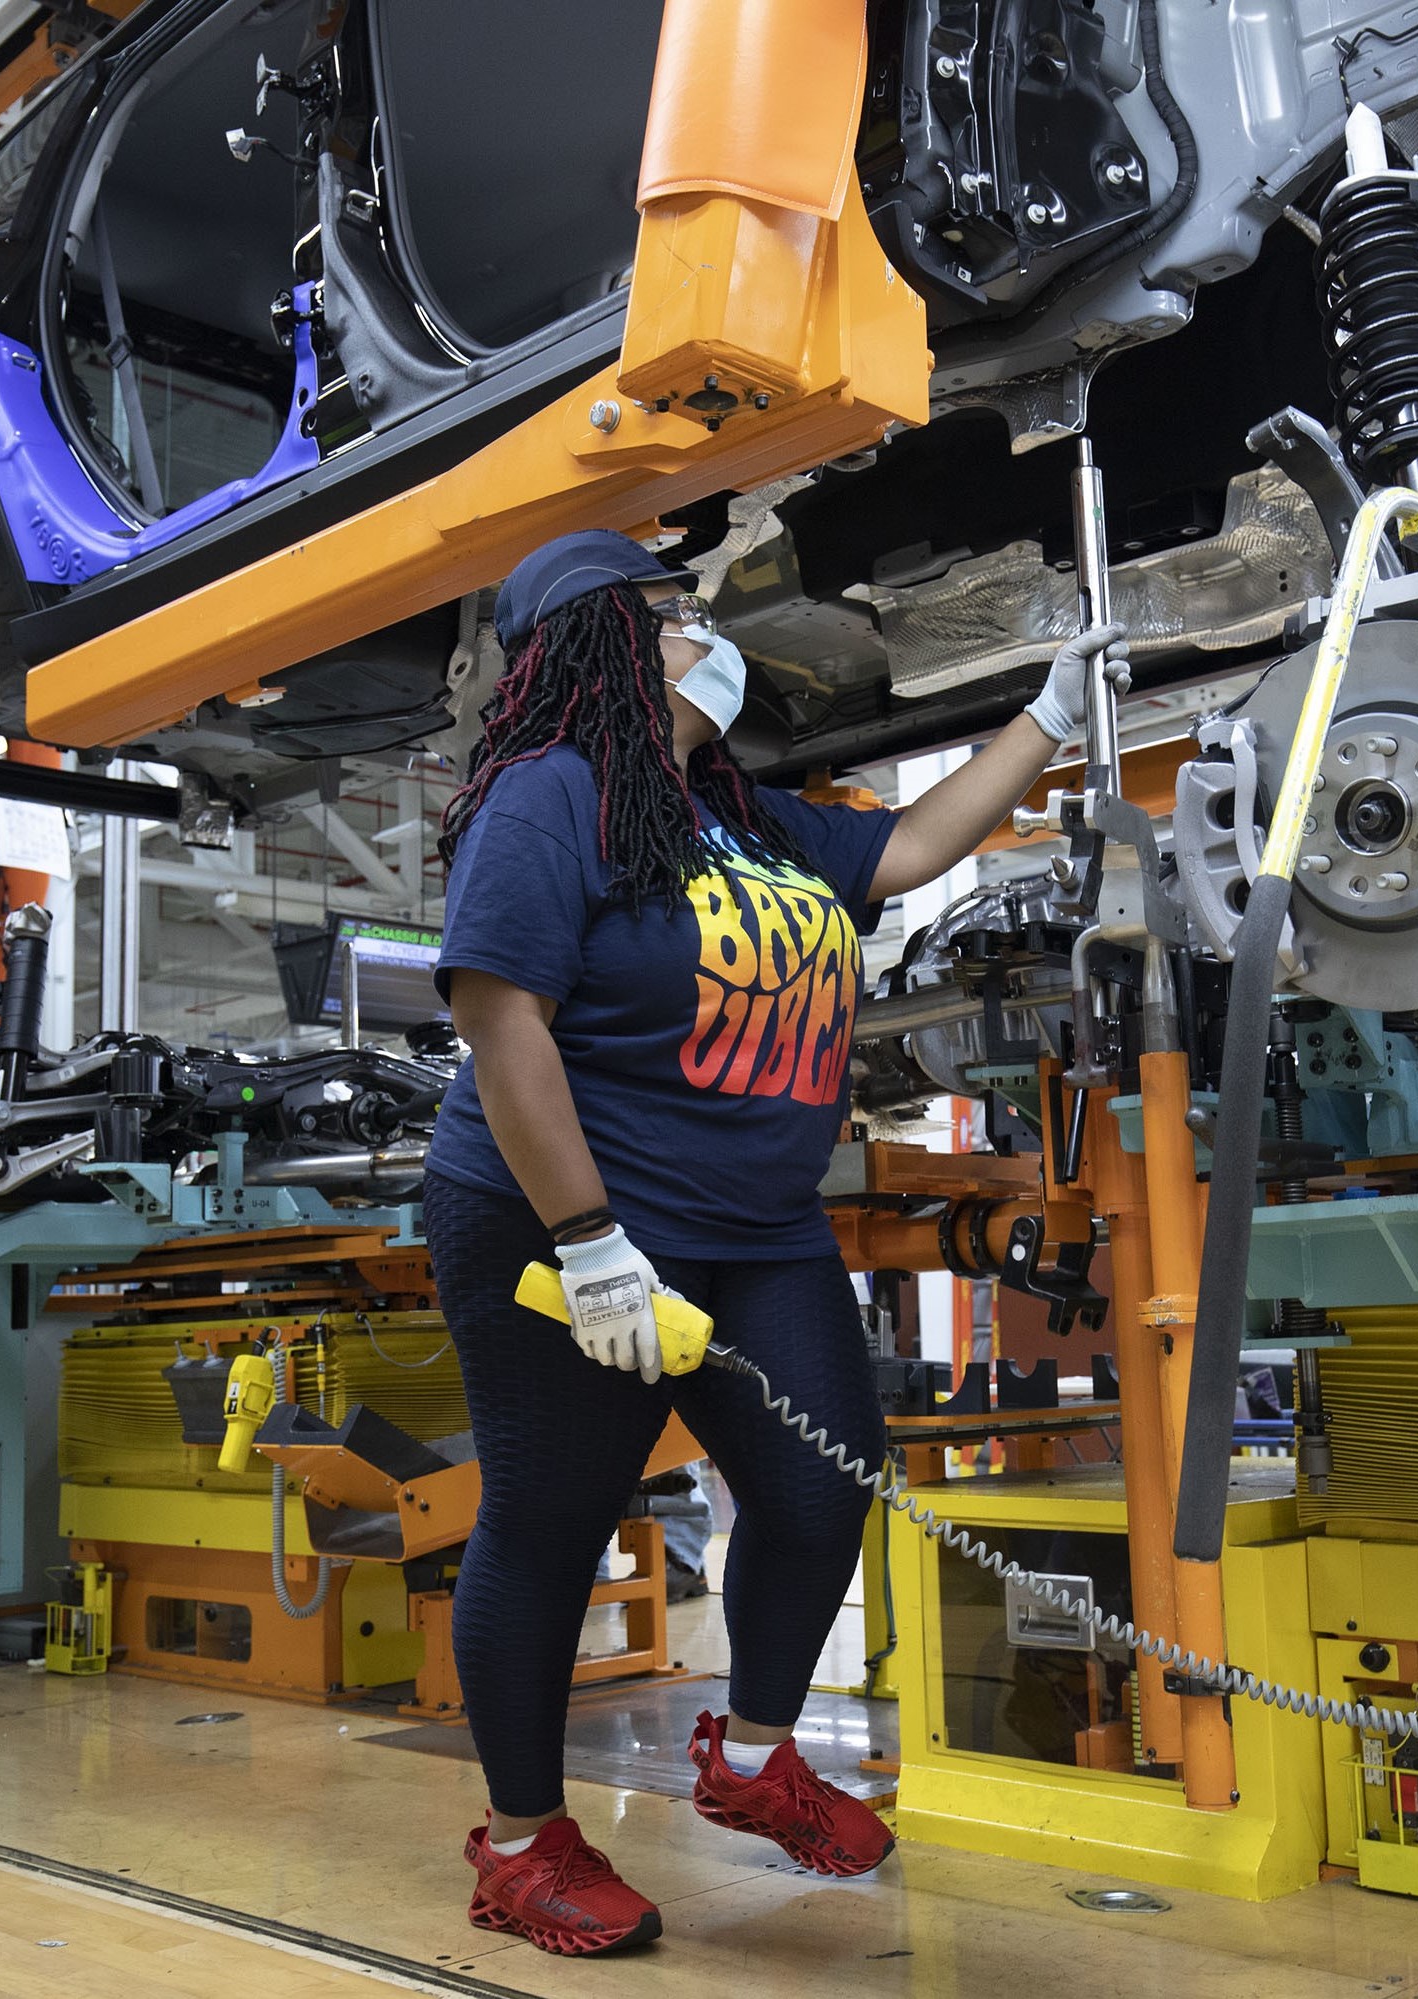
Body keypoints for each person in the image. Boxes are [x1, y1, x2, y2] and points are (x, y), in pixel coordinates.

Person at [426, 527, 1125, 1954]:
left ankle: (750, 1757)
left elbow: (920, 844)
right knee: (550, 1525)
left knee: (819, 1495)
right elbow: (501, 1021)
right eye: (684, 612)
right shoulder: (548, 796)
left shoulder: (746, 815)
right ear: (614, 636)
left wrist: (1048, 710)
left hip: (754, 1226)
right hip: (563, 1216)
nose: (712, 635)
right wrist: (590, 1239)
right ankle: (516, 1843)